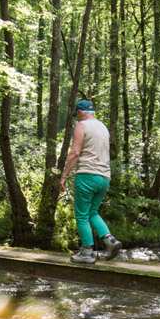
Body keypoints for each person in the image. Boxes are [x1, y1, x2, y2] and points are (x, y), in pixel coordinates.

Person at [59, 100, 123, 264]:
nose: (76, 119)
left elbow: (75, 153)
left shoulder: (82, 126)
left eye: (77, 116)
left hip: (87, 176)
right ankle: (110, 240)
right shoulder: (103, 127)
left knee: (81, 216)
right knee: (92, 213)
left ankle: (87, 252)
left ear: (80, 112)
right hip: (104, 178)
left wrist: (64, 175)